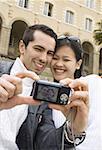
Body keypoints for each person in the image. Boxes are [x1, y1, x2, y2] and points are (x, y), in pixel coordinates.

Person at [0, 25, 88, 150]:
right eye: (38, 49)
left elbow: (44, 142)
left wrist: (73, 130)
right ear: (22, 47)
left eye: (49, 53)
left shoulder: (43, 97)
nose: (43, 58)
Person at [50, 35, 102, 149]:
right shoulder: (50, 94)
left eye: (66, 59)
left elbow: (98, 132)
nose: (59, 64)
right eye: (55, 58)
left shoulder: (93, 83)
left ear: (78, 64)